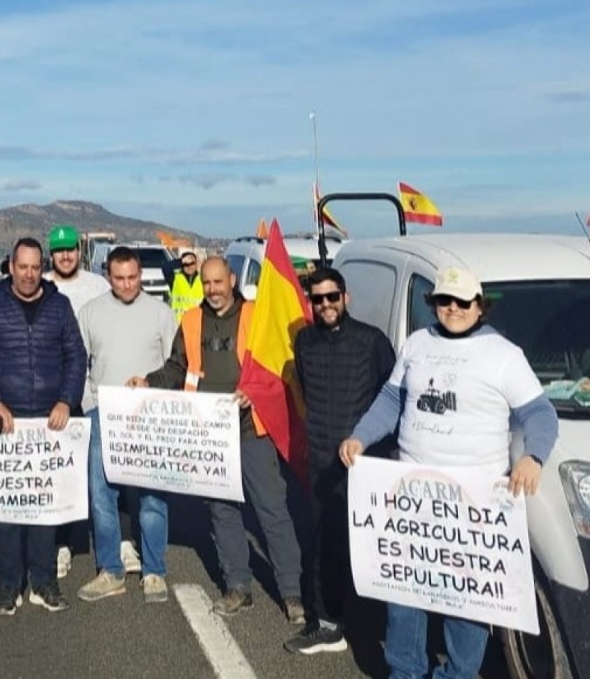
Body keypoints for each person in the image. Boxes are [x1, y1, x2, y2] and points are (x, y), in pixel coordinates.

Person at [341, 267, 559, 679]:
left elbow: (540, 414)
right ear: (434, 304)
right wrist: (360, 437)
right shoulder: (417, 344)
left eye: (463, 302)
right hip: (410, 492)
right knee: (405, 592)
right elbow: (392, 400)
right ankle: (405, 671)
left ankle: (458, 675)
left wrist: (534, 457)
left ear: (479, 306)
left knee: (468, 600)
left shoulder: (504, 355)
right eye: (444, 301)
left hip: (472, 501)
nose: (453, 309)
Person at [130, 256, 305, 623]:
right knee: (221, 511)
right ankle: (237, 587)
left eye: (218, 282)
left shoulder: (257, 315)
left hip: (251, 428)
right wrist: (149, 381)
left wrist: (255, 394)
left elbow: (280, 367)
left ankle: (292, 592)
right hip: (208, 432)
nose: (212, 290)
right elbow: (178, 367)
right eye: (206, 284)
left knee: (271, 509)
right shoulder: (192, 320)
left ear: (232, 280)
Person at [0, 237, 87, 615]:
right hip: (7, 418)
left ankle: (44, 581)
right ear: (11, 267)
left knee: (43, 506)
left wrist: (66, 399)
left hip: (50, 417)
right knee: (7, 509)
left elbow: (76, 356)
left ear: (42, 267)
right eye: (23, 267)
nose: (30, 274)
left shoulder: (60, 305)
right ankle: (8, 584)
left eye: (36, 267)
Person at [285, 267, 396, 655]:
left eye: (333, 297)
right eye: (318, 299)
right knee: (323, 546)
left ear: (345, 298)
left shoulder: (372, 341)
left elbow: (391, 400)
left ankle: (372, 623)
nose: (326, 305)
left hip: (366, 465)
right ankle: (328, 624)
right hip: (321, 462)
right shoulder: (304, 342)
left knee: (370, 547)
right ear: (311, 302)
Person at [75, 247, 178, 605]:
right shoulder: (90, 312)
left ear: (140, 273)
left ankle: (154, 570)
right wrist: (90, 406)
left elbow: (175, 365)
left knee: (151, 494)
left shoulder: (161, 313)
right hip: (103, 413)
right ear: (108, 276)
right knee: (102, 495)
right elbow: (79, 362)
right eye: (119, 278)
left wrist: (157, 393)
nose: (127, 284)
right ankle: (111, 570)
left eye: (132, 277)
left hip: (148, 416)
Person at [44, 225, 110, 577]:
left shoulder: (97, 285)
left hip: (95, 391)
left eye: (70, 249)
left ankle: (117, 544)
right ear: (50, 254)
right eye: (59, 251)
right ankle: (62, 543)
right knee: (62, 472)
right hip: (56, 395)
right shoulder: (40, 285)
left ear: (78, 251)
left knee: (104, 470)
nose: (65, 256)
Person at [168, 252, 203, 321]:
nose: (189, 266)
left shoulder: (202, 279)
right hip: (179, 322)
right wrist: (180, 261)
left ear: (196, 264)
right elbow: (166, 267)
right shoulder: (175, 278)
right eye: (186, 264)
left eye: (192, 263)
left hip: (197, 322)